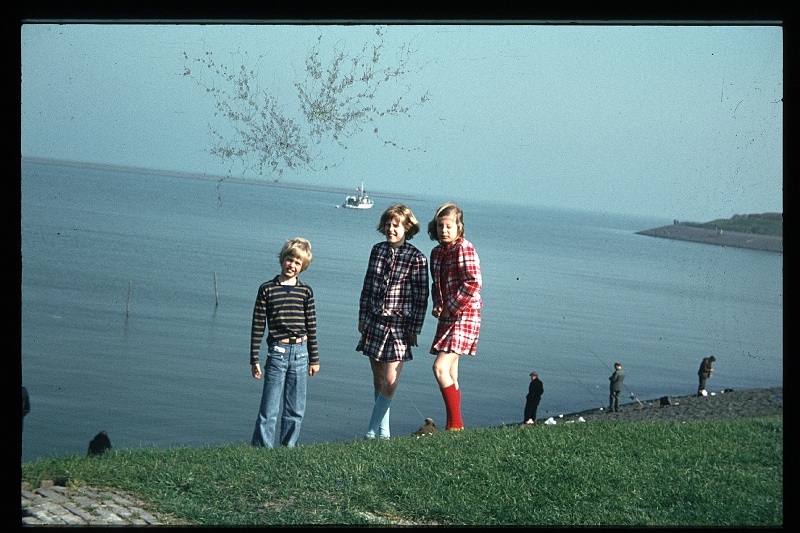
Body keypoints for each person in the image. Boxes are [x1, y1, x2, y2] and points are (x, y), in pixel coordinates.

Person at [357, 204, 429, 440]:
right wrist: (362, 318)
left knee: (391, 380)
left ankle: (370, 431)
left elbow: (421, 297)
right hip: (375, 322)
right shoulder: (377, 250)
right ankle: (384, 434)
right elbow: (367, 287)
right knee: (378, 379)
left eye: (396, 225)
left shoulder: (417, 258)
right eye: (388, 224)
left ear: (407, 227)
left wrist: (414, 330)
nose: (390, 229)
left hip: (400, 327)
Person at [250, 238, 319, 448]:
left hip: (300, 353)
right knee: (269, 408)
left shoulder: (306, 291)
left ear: (303, 267)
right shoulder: (266, 289)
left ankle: (288, 448)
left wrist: (314, 359)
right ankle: (263, 448)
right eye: (290, 260)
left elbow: (312, 327)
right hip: (277, 352)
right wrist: (254, 359)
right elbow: (258, 326)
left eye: (298, 263)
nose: (292, 265)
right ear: (282, 259)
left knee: (295, 408)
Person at [427, 202, 483, 431]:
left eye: (449, 226)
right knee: (450, 372)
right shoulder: (437, 252)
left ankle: (456, 425)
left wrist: (451, 306)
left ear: (459, 227)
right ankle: (453, 426)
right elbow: (436, 284)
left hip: (465, 314)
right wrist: (439, 304)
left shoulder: (464, 248)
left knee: (439, 368)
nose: (444, 230)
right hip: (448, 315)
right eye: (440, 226)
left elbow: (473, 283)